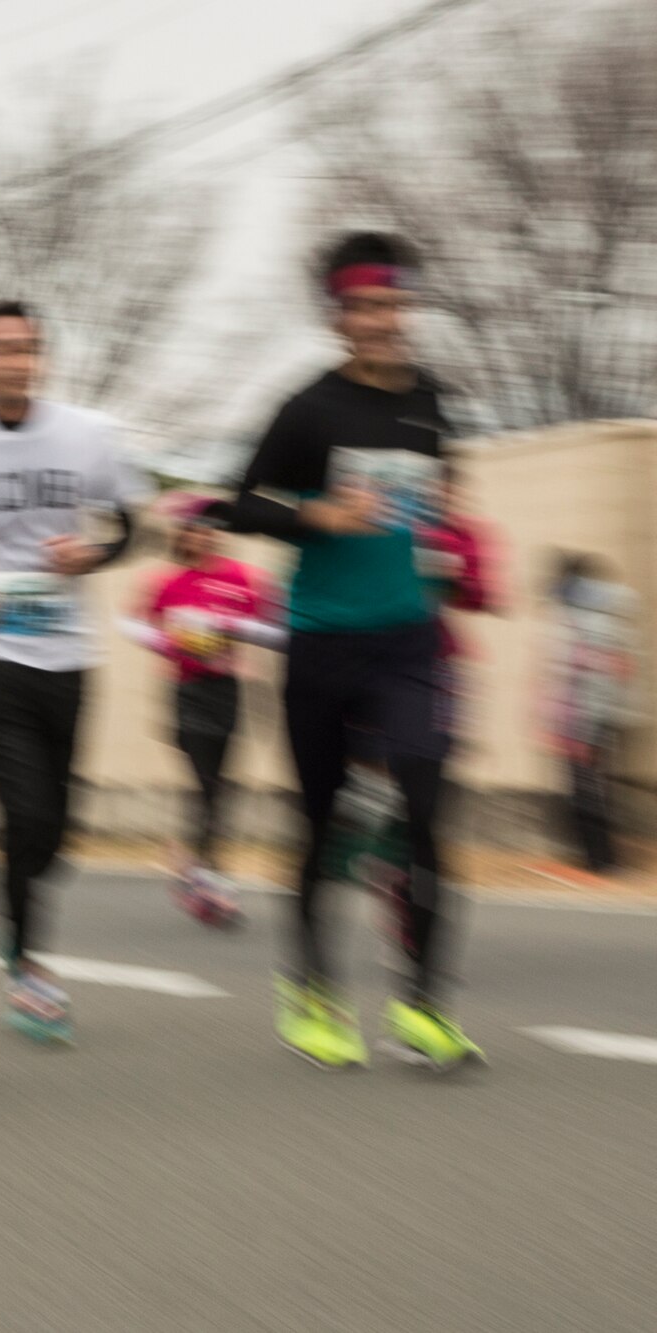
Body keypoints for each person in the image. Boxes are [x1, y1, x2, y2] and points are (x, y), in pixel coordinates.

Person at [231, 231, 482, 1072]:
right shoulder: (309, 409)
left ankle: (423, 1008)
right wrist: (318, 516)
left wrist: (438, 535)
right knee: (322, 821)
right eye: (364, 307)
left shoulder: (432, 401)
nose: (381, 321)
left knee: (425, 806)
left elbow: (445, 492)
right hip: (322, 642)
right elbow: (238, 503)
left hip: (408, 639)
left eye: (393, 304)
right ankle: (311, 993)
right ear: (339, 316)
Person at [0, 300, 152, 1045]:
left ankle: (16, 905)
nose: (12, 362)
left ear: (42, 357)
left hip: (67, 649)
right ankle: (28, 964)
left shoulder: (91, 435)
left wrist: (98, 553)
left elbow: (139, 523)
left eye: (25, 348)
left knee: (59, 826)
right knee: (26, 811)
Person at [119, 497, 284, 927]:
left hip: (226, 690)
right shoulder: (168, 582)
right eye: (191, 530)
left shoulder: (243, 578)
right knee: (205, 780)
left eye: (207, 529)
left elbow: (280, 630)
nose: (200, 536)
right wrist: (170, 641)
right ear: (182, 537)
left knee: (217, 787)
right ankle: (204, 874)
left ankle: (197, 868)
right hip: (185, 690)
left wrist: (230, 628)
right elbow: (132, 623)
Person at [542, 553, 640, 879]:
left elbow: (585, 677)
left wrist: (580, 729)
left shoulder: (582, 622)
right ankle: (600, 858)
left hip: (585, 717)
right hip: (597, 715)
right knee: (594, 789)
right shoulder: (604, 618)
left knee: (587, 790)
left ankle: (602, 861)